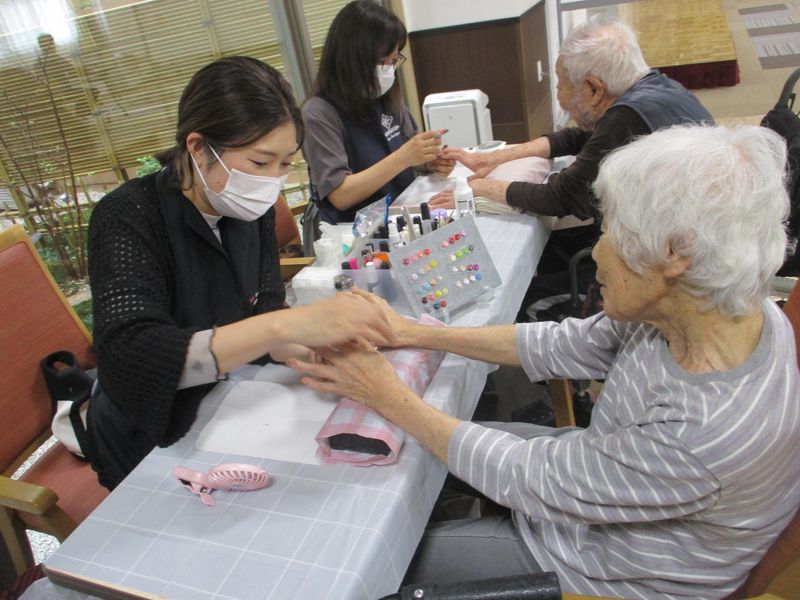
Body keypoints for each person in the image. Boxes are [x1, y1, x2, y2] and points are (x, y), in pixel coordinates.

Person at [289, 125, 800, 599]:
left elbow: (527, 475)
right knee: (423, 453)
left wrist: (385, 393)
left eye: (611, 231)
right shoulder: (719, 306)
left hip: (608, 571)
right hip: (598, 479)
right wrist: (412, 332)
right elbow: (562, 345)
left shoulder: (704, 428)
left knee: (377, 570)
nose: (597, 251)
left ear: (675, 253)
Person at [86, 56, 393, 490]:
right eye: (260, 162)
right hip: (150, 428)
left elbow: (263, 304)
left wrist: (306, 348)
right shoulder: (126, 216)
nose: (273, 180)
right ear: (197, 148)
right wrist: (284, 325)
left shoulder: (251, 209)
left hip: (227, 400)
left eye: (287, 163)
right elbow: (133, 356)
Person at [435, 18, 712, 276]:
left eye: (561, 86)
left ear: (594, 89)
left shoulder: (628, 118)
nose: (558, 96)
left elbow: (560, 198)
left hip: (685, 260)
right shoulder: (657, 88)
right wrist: (497, 157)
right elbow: (578, 138)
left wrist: (478, 188)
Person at [302, 0, 454, 225]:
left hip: (402, 210)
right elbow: (341, 195)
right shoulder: (318, 113)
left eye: (394, 61)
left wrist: (429, 161)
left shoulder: (385, 95)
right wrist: (404, 157)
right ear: (354, 59)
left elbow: (410, 153)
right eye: (384, 61)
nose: (389, 70)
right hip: (357, 230)